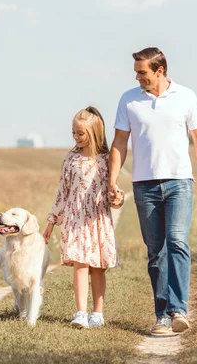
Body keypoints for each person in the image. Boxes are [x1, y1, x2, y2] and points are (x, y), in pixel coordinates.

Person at [108, 47, 197, 336]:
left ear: (159, 71)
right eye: (136, 72)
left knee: (177, 241)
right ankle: (162, 315)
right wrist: (112, 180)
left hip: (180, 182)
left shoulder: (186, 96)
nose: (137, 77)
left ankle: (179, 308)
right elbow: (119, 142)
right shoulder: (129, 100)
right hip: (144, 185)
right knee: (156, 251)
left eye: (142, 72)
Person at [44, 106, 124, 329]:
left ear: (95, 133)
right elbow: (63, 190)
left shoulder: (106, 160)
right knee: (80, 264)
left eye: (80, 133)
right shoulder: (70, 159)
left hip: (97, 221)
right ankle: (80, 312)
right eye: (73, 133)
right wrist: (52, 220)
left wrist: (118, 198)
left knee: (97, 267)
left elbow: (115, 191)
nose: (76, 137)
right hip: (75, 220)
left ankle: (97, 314)